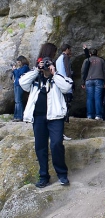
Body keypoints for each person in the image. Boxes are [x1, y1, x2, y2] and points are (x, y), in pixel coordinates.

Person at [19, 55, 73, 188]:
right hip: (38, 117)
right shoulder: (36, 78)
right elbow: (22, 83)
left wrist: (54, 73)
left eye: (47, 64)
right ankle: (44, 176)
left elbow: (67, 87)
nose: (46, 67)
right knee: (40, 147)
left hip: (55, 117)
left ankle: (62, 174)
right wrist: (37, 70)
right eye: (44, 64)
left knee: (56, 144)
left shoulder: (57, 78)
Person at [81, 48, 105, 120]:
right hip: (99, 80)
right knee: (98, 98)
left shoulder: (87, 60)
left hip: (89, 80)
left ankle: (90, 115)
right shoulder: (101, 60)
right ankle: (98, 115)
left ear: (90, 54)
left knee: (90, 98)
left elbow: (83, 71)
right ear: (97, 53)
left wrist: (82, 82)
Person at [56, 43, 73, 140]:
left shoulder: (58, 59)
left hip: (60, 83)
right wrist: (70, 80)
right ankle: (62, 132)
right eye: (70, 50)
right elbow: (67, 70)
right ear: (67, 49)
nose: (70, 52)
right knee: (66, 106)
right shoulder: (65, 57)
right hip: (65, 83)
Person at [11, 56, 30, 121]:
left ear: (22, 61)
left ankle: (20, 116)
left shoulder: (25, 67)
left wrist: (15, 70)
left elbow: (19, 74)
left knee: (19, 101)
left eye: (19, 62)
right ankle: (16, 116)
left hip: (20, 85)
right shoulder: (21, 67)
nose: (18, 63)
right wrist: (14, 70)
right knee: (17, 101)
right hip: (16, 84)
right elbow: (16, 75)